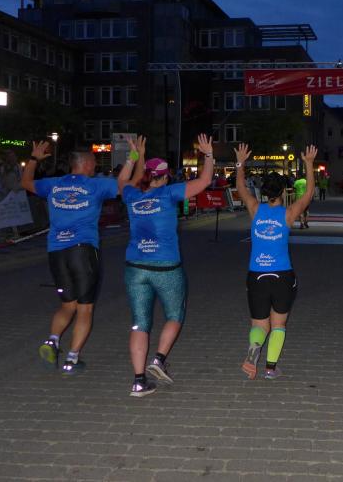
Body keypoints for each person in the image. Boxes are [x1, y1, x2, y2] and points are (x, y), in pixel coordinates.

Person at [117, 134, 214, 397]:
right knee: (174, 315)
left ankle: (138, 381)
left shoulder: (131, 195)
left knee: (139, 323)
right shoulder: (170, 193)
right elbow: (205, 180)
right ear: (165, 177)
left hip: (135, 266)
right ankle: (158, 359)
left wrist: (133, 156)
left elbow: (122, 181)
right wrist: (208, 154)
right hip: (166, 267)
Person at [21, 142, 119, 375]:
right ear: (85, 164)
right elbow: (128, 185)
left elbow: (25, 183)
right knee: (85, 308)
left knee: (67, 305)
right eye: (93, 162)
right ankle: (72, 359)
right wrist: (136, 159)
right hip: (83, 251)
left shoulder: (54, 184)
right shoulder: (96, 185)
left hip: (57, 252)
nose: (96, 166)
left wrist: (33, 159)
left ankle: (53, 340)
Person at [233, 142, 317, 380]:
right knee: (278, 325)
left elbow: (240, 187)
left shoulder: (255, 209)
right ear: (283, 192)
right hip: (282, 275)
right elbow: (309, 194)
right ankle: (270, 368)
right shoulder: (288, 214)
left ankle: (253, 351)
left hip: (256, 275)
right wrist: (309, 164)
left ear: (263, 192)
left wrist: (240, 162)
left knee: (259, 325)